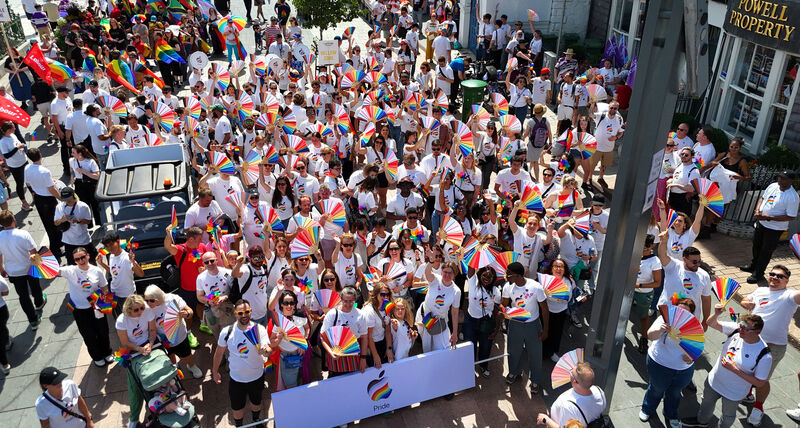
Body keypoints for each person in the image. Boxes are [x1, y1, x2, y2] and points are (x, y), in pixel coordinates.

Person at [682, 309, 771, 428]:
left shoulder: (764, 355)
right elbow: (711, 323)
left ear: (757, 332)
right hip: (714, 381)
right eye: (741, 325)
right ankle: (702, 421)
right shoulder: (735, 330)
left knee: (728, 415)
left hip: (734, 392)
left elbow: (760, 383)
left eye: (746, 328)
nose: (741, 329)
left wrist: (735, 370)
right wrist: (717, 313)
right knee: (706, 404)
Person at [739, 264, 800, 425]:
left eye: (780, 276)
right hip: (752, 341)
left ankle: (758, 408)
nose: (775, 278)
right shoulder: (761, 291)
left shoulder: (789, 296)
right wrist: (745, 303)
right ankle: (748, 395)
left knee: (762, 379)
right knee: (746, 368)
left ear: (787, 281)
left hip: (773, 347)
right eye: (772, 274)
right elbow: (746, 299)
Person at [213, 299, 281, 428]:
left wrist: (267, 350)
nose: (244, 315)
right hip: (236, 379)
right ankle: (239, 425)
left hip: (256, 377)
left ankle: (256, 420)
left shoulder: (259, 329)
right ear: (235, 313)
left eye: (247, 312)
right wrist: (215, 372)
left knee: (256, 402)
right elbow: (218, 353)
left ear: (251, 312)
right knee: (237, 407)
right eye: (240, 312)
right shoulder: (227, 332)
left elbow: (267, 350)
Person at [639, 298, 696, 426]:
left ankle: (671, 415)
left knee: (675, 393)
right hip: (660, 364)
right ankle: (647, 409)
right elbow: (650, 336)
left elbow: (697, 348)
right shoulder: (664, 319)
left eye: (686, 312)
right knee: (656, 389)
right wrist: (660, 330)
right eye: (679, 310)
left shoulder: (694, 326)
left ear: (691, 314)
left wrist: (692, 357)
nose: (681, 313)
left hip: (683, 370)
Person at [740, 170, 799, 283]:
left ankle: (758, 273)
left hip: (775, 228)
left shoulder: (793, 197)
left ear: (791, 181)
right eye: (779, 177)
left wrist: (768, 218)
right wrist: (757, 210)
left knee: (766, 251)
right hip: (761, 223)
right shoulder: (773, 186)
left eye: (783, 178)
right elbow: (763, 198)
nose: (780, 180)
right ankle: (753, 266)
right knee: (756, 245)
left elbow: (791, 216)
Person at [61, 247, 113, 366]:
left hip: (96, 306)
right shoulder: (70, 271)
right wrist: (37, 261)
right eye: (77, 259)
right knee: (88, 335)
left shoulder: (96, 271)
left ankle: (107, 352)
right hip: (79, 310)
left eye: (83, 257)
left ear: (88, 256)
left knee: (103, 331)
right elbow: (53, 271)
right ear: (74, 261)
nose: (81, 260)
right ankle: (96, 356)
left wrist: (106, 299)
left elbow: (104, 287)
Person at [502, 262, 548, 395]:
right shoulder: (508, 287)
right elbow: (504, 304)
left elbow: (545, 309)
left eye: (508, 274)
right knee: (513, 350)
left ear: (517, 275)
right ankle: (514, 372)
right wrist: (504, 311)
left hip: (533, 325)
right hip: (515, 324)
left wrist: (545, 330)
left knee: (535, 354)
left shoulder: (536, 287)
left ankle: (535, 380)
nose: (506, 276)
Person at [0, 209, 45, 330]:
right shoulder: (23, 234)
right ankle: (39, 302)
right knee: (35, 286)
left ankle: (33, 321)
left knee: (23, 296)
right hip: (29, 267)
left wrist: (1, 268)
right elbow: (34, 252)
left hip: (13, 271)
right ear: (14, 220)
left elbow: (0, 255)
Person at [164, 225, 208, 347]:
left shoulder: (202, 247)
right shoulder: (180, 250)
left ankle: (203, 324)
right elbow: (168, 246)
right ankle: (188, 333)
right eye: (199, 239)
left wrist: (204, 269)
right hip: (187, 289)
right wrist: (168, 235)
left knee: (201, 306)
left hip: (201, 287)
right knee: (189, 314)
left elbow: (205, 263)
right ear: (190, 239)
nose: (201, 241)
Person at [656, 232, 711, 327]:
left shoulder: (704, 275)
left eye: (699, 261)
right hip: (666, 314)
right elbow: (662, 255)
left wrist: (705, 320)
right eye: (694, 262)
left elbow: (706, 300)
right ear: (684, 259)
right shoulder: (673, 266)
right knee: (661, 340)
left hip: (689, 319)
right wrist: (664, 241)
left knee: (683, 342)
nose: (698, 264)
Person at [537, 362, 607, 427]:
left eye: (571, 373)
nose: (569, 373)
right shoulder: (599, 391)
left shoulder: (568, 407)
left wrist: (545, 420)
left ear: (575, 381)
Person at [320, 286, 369, 376]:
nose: (348, 304)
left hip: (354, 353)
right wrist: (330, 352)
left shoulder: (360, 315)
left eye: (351, 301)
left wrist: (363, 358)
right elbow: (323, 337)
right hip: (335, 354)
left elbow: (364, 337)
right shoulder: (332, 314)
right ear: (341, 299)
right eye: (345, 301)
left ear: (355, 300)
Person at [464, 266, 501, 378]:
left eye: (490, 276)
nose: (487, 278)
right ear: (479, 275)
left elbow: (496, 311)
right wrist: (475, 251)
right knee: (470, 346)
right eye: (484, 275)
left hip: (486, 322)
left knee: (485, 347)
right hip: (470, 322)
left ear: (494, 278)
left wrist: (496, 329)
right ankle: (469, 368)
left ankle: (483, 366)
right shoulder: (473, 283)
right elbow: (470, 270)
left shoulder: (496, 291)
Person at [95, 233, 142, 316]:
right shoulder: (112, 256)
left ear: (118, 241)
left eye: (111, 244)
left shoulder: (127, 258)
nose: (110, 248)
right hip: (113, 293)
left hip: (127, 296)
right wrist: (101, 263)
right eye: (107, 246)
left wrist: (133, 262)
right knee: (118, 318)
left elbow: (141, 274)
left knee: (132, 319)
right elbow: (113, 271)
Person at [633, 235, 661, 353]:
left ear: (652, 246)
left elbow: (657, 283)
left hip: (644, 294)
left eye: (647, 246)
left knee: (644, 317)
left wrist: (640, 285)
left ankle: (644, 339)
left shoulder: (654, 261)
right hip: (629, 291)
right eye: (642, 245)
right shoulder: (634, 255)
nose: (644, 248)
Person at [54, 188, 95, 265]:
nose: (67, 201)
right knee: (72, 264)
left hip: (83, 239)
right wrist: (62, 219)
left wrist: (77, 220)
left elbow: (88, 221)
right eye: (65, 200)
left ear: (73, 196)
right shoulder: (59, 207)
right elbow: (56, 223)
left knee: (92, 260)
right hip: (68, 241)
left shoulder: (83, 206)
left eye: (69, 199)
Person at [666, 147, 700, 216]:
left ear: (692, 156)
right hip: (673, 196)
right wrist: (671, 180)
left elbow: (691, 189)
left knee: (681, 221)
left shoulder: (694, 171)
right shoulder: (680, 165)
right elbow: (678, 177)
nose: (683, 156)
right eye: (682, 154)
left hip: (683, 199)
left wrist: (675, 185)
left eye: (686, 155)